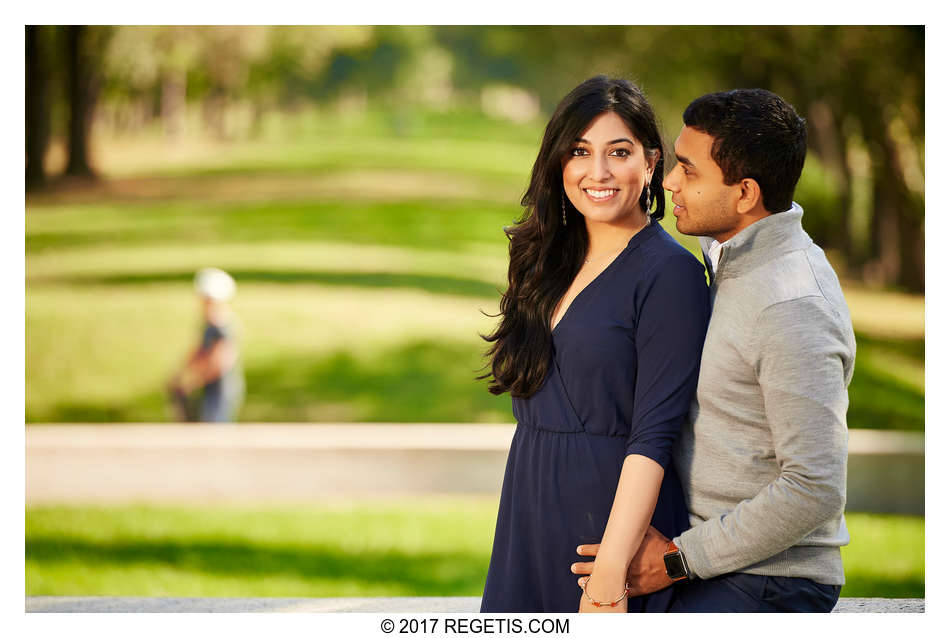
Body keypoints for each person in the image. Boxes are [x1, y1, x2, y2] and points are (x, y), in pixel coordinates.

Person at [572, 89, 855, 612]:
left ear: (745, 193)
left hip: (767, 582)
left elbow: (815, 487)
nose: (670, 181)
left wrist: (678, 558)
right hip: (709, 560)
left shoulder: (791, 304)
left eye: (689, 170)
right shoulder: (730, 252)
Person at [478, 76, 710, 613]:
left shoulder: (669, 274)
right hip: (530, 510)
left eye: (619, 152)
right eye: (580, 151)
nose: (597, 172)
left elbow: (653, 436)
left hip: (608, 534)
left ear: (651, 164)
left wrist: (609, 578)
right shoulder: (546, 259)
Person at [167, 267, 245, 423]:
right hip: (210, 386)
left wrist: (193, 381)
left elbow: (220, 361)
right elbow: (199, 352)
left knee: (215, 426)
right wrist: (182, 373)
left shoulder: (222, 325)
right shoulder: (209, 325)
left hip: (222, 388)